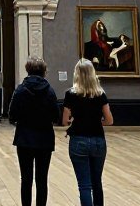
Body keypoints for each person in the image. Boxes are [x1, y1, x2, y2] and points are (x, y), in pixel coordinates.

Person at [62, 58, 113, 206]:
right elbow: (109, 120)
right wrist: (96, 121)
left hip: (78, 140)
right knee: (97, 182)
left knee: (84, 185)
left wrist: (75, 121)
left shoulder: (70, 94)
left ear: (76, 74)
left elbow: (65, 120)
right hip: (98, 140)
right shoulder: (100, 94)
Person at [9, 56, 59, 206]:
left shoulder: (20, 90)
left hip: (24, 139)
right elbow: (56, 117)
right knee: (42, 179)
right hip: (45, 139)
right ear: (44, 71)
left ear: (28, 70)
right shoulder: (50, 91)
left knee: (26, 179)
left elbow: (12, 116)